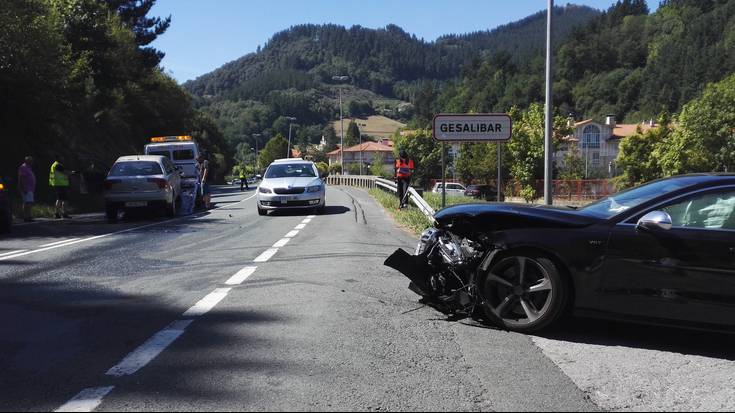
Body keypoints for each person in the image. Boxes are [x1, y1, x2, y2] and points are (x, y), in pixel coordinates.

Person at [17, 156, 36, 222]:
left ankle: (28, 216)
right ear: (27, 161)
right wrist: (24, 187)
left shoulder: (28, 167)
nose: (32, 162)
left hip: (30, 188)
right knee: (27, 202)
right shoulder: (23, 167)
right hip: (26, 188)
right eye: (30, 161)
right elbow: (22, 178)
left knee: (29, 202)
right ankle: (26, 217)